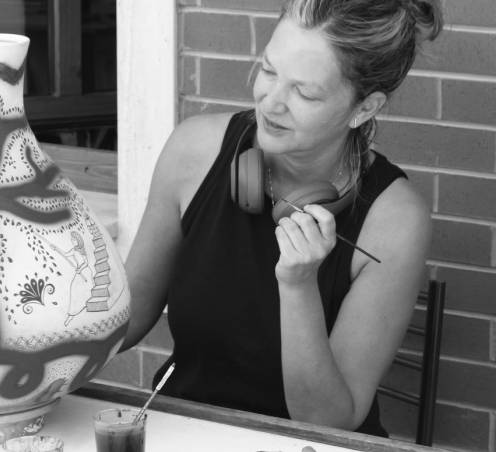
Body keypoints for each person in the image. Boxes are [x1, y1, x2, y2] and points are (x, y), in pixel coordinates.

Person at [121, 0, 443, 437]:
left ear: (364, 109)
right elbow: (125, 318)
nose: (271, 103)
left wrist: (298, 285)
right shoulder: (193, 151)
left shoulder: (395, 220)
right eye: (269, 71)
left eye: (304, 93)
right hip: (184, 433)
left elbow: (328, 421)